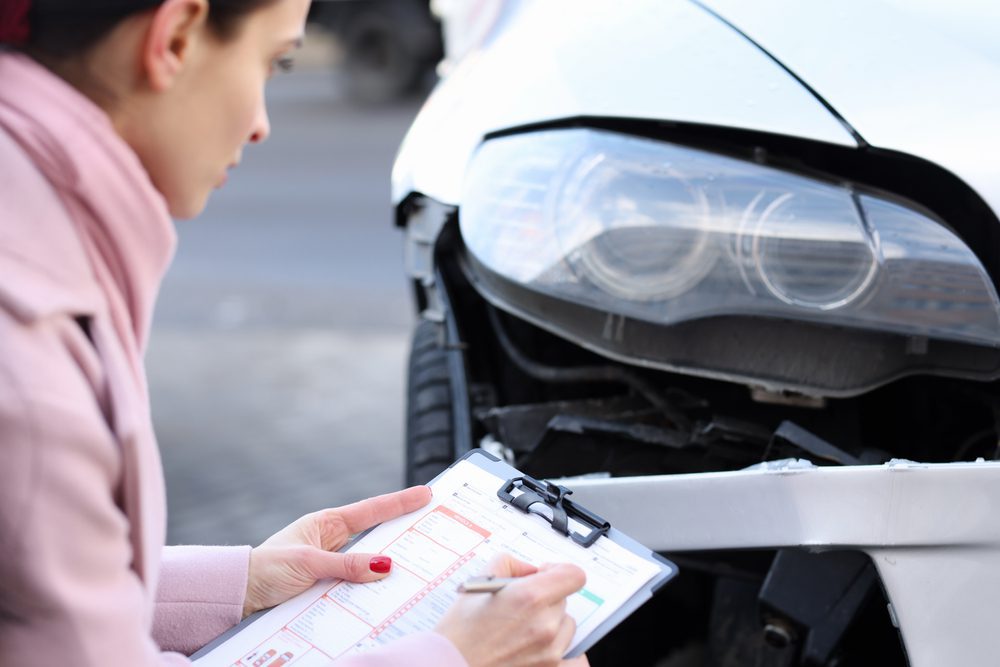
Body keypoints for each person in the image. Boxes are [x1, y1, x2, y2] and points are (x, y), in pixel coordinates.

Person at [0, 1, 589, 665]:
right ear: (175, 38)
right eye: (272, 62)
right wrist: (455, 656)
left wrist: (242, 581)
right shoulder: (28, 361)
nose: (259, 125)